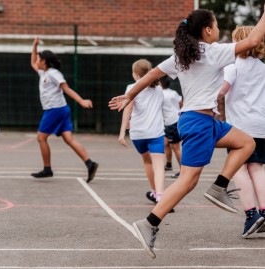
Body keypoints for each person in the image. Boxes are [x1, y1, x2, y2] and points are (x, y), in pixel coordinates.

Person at [109, 7, 265, 258]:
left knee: (246, 143)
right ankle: (149, 223)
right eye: (215, 26)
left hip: (204, 122)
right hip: (199, 123)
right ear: (207, 30)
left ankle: (219, 186)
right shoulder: (212, 52)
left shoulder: (181, 56)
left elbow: (151, 74)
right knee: (187, 182)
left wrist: (130, 95)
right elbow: (254, 40)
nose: (218, 31)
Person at [218, 25, 265, 238]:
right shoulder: (263, 68)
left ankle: (251, 214)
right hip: (261, 124)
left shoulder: (233, 67)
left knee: (238, 169)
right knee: (257, 168)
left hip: (240, 127)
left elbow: (221, 92)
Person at [30, 37, 98, 182]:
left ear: (44, 62)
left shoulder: (54, 74)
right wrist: (34, 46)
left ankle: (47, 169)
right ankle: (90, 163)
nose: (37, 60)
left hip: (55, 110)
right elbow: (32, 61)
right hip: (60, 109)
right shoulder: (43, 73)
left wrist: (81, 100)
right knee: (69, 139)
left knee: (41, 138)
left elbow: (66, 88)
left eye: (39, 59)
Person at [118, 59, 166, 205]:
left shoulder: (131, 88)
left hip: (138, 133)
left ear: (136, 75)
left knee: (147, 162)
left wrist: (121, 132)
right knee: (159, 165)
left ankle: (154, 191)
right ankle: (160, 196)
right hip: (155, 132)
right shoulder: (159, 89)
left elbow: (128, 109)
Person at [159, 75, 182, 178]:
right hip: (171, 121)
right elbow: (181, 103)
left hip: (172, 122)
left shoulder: (160, 94)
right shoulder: (173, 93)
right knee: (166, 143)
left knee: (176, 147)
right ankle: (168, 164)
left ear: (160, 84)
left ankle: (183, 170)